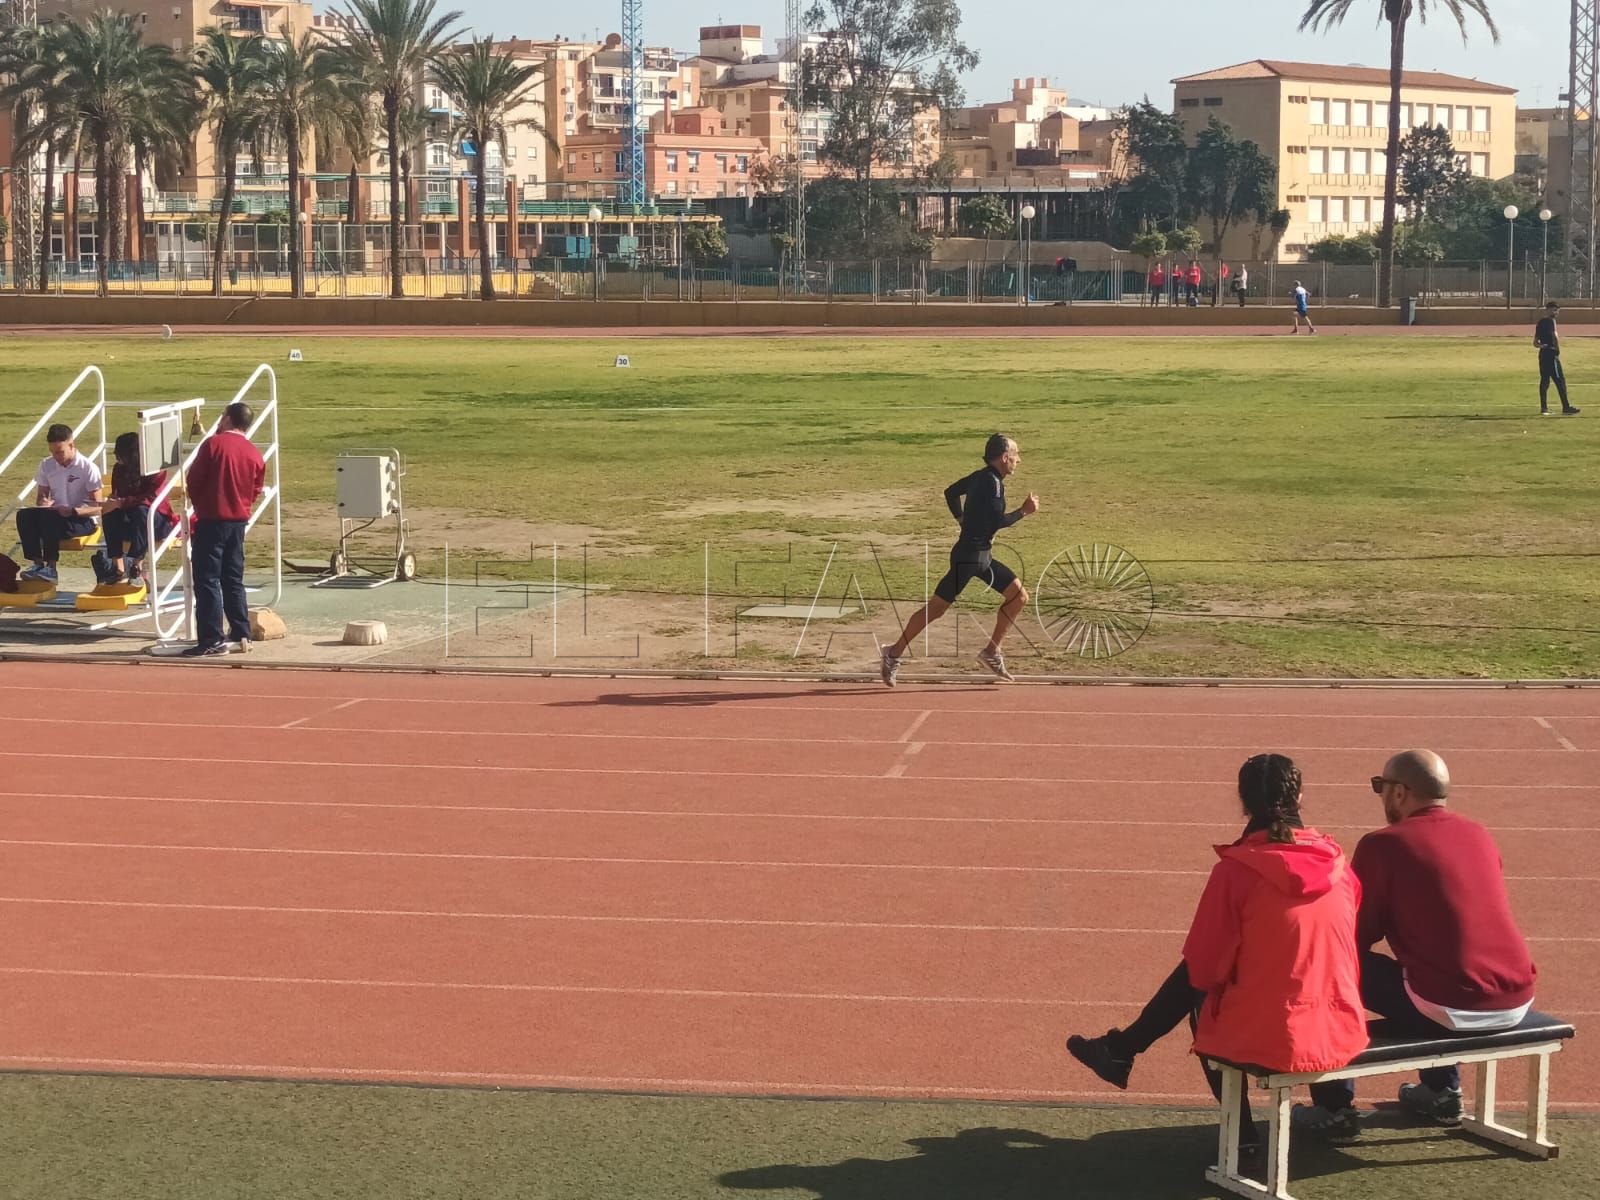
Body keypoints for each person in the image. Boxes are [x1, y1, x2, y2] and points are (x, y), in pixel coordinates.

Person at [1065, 755, 1368, 1154]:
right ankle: (1335, 1108)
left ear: (1242, 801)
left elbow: (1204, 969)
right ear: (1301, 796)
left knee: (1199, 994)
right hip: (1342, 1027)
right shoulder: (1340, 866)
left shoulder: (1237, 872)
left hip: (1278, 1038)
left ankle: (1240, 1139)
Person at [1294, 750, 1537, 1131]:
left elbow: (1353, 935)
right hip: (1517, 994)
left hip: (1452, 1003)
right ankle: (1442, 1092)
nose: (1380, 797)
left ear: (1401, 792)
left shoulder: (1384, 844)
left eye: (1380, 787)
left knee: (1326, 966)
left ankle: (1334, 1107)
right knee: (1433, 972)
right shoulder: (1479, 834)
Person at [879, 434, 1039, 686]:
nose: (1019, 459)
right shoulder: (993, 484)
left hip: (981, 557)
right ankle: (892, 653)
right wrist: (1023, 512)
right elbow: (998, 521)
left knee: (1019, 596)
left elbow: (951, 493)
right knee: (936, 609)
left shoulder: (980, 477)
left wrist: (962, 520)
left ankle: (991, 651)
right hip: (969, 559)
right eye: (1016, 454)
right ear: (1005, 457)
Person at [182, 401, 265, 657]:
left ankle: (211, 638)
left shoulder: (214, 444)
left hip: (212, 519)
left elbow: (193, 480)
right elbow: (256, 489)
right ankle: (241, 632)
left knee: (207, 580)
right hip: (238, 522)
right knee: (233, 579)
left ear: (228, 418)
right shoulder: (254, 453)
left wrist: (202, 503)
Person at [15, 423, 103, 584]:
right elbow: (41, 496)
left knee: (50, 518)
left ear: (71, 445)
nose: (56, 456)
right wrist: (43, 501)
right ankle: (37, 563)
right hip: (55, 515)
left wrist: (72, 511)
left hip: (82, 520)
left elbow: (98, 507)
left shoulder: (87, 468)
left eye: (60, 452)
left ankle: (51, 567)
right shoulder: (46, 464)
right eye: (53, 452)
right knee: (24, 515)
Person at [95, 431, 178, 587]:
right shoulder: (119, 469)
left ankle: (136, 565)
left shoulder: (154, 469)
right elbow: (116, 494)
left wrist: (122, 503)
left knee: (141, 511)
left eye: (120, 453)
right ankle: (118, 567)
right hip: (130, 521)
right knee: (110, 512)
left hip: (156, 521)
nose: (116, 457)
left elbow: (151, 498)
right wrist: (110, 503)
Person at [1535, 301, 1580, 416]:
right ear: (1548, 310)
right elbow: (1555, 336)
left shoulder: (1540, 322)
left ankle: (1544, 408)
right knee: (1560, 380)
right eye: (1554, 310)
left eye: (1557, 310)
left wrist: (1542, 346)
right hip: (1551, 354)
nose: (1556, 312)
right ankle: (1566, 407)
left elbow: (1535, 342)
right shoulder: (1551, 321)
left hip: (1543, 354)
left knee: (1544, 381)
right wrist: (1557, 349)